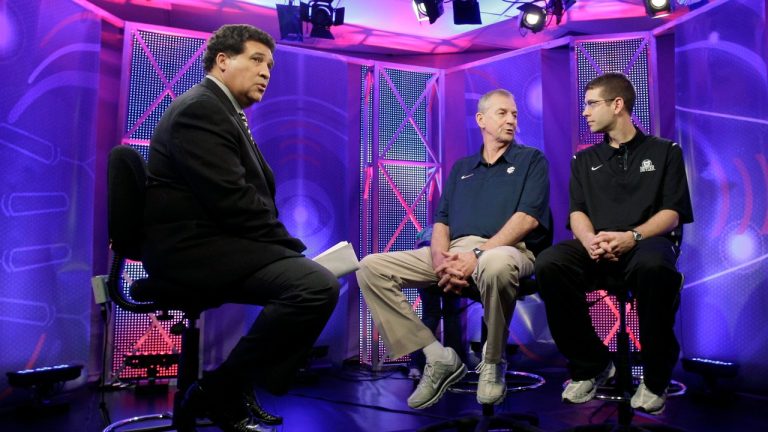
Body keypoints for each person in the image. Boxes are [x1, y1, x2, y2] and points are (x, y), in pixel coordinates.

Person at [142, 24, 340, 431]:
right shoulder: (201, 110)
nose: (266, 71)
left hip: (216, 244)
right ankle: (224, 390)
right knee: (315, 285)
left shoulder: (222, 111)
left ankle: (230, 388)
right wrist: (289, 248)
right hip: (191, 252)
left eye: (270, 64)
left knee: (315, 281)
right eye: (256, 60)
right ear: (223, 60)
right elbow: (233, 202)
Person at [357, 89, 551, 409]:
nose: (511, 120)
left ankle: (492, 363)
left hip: (508, 249)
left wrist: (475, 256)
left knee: (497, 263)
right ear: (481, 120)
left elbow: (528, 218)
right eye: (502, 113)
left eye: (515, 114)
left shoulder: (531, 160)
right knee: (371, 267)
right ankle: (436, 355)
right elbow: (441, 223)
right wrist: (440, 263)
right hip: (454, 251)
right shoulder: (462, 168)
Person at [535, 72, 693, 415]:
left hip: (645, 243)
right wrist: (590, 240)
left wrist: (631, 236)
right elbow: (576, 212)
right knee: (549, 263)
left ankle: (654, 378)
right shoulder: (584, 159)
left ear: (617, 105)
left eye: (592, 104)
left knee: (654, 268)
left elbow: (672, 213)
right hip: (597, 246)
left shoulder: (665, 152)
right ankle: (591, 364)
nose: (585, 112)